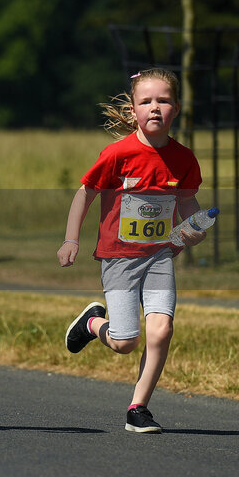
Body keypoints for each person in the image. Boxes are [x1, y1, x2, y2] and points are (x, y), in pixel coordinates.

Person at [58, 68, 206, 434]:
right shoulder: (118, 154)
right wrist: (71, 239)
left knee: (161, 330)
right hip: (119, 257)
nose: (155, 108)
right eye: (146, 101)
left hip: (160, 256)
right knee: (125, 342)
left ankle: (138, 408)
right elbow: (86, 193)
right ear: (134, 109)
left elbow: (187, 202)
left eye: (164, 100)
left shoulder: (184, 159)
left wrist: (195, 227)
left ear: (177, 108)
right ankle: (93, 324)